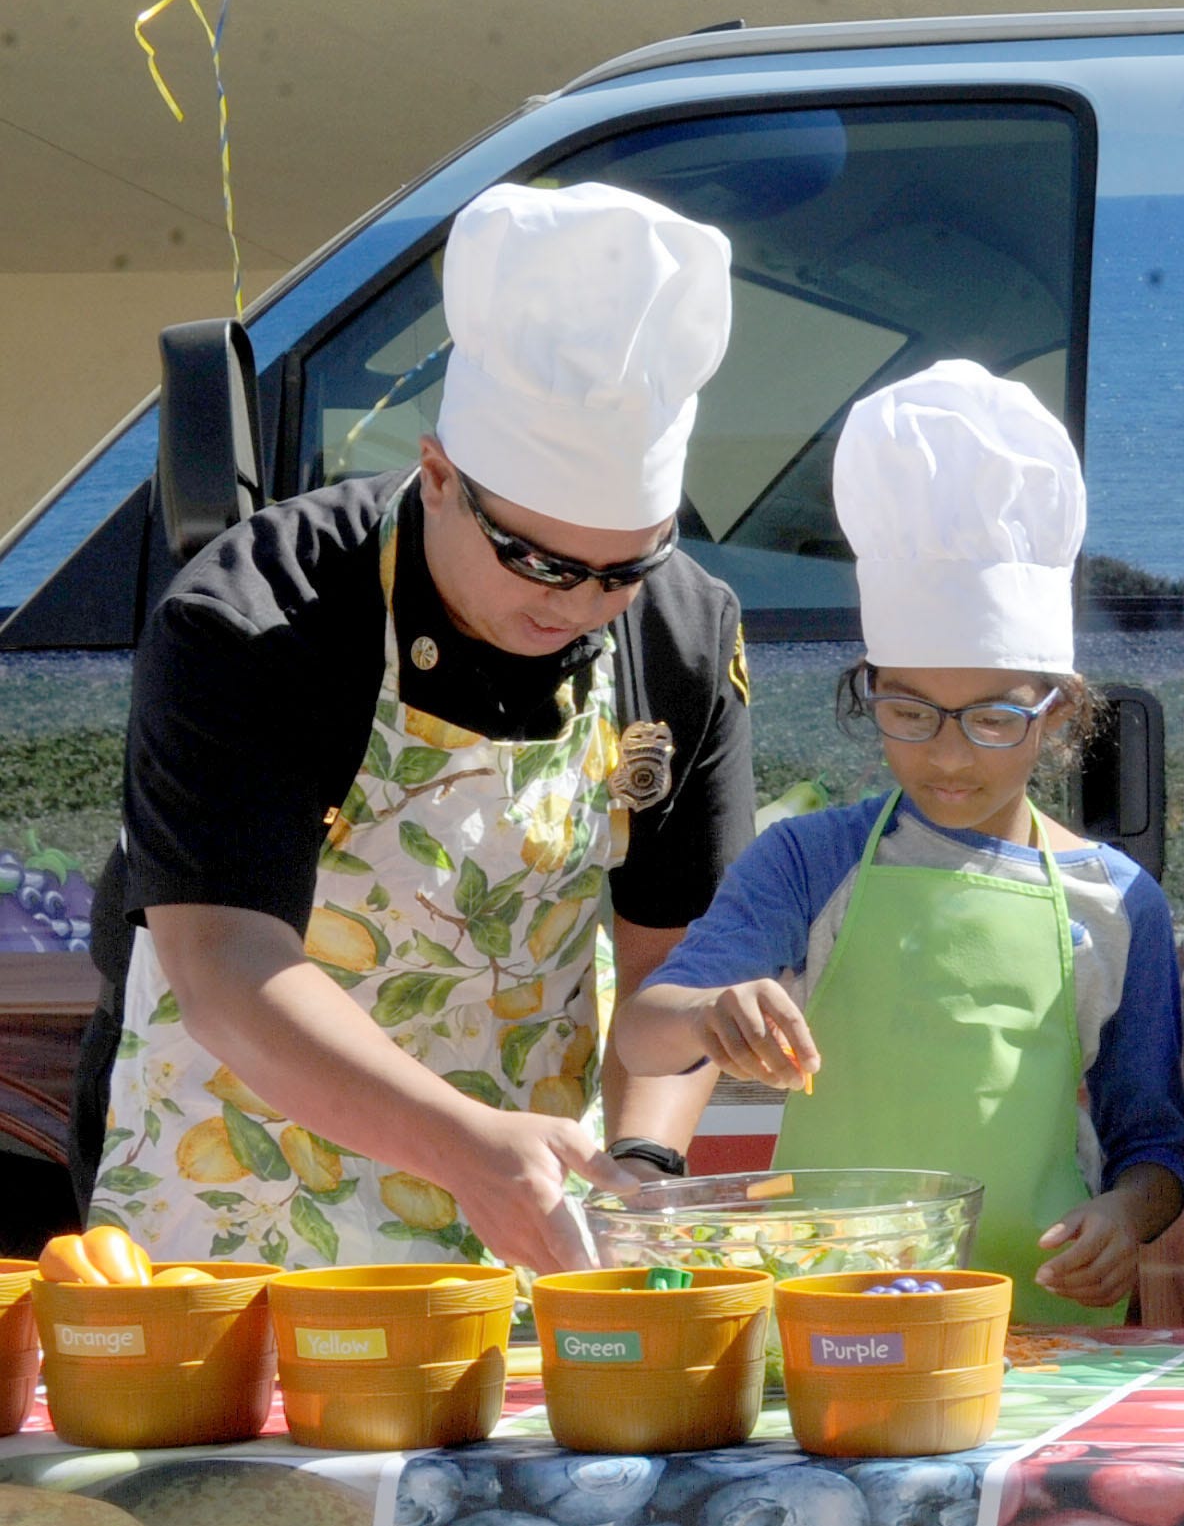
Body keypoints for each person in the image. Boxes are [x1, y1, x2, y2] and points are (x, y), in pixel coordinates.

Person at [76, 182, 753, 1272]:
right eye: (538, 561)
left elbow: (670, 955)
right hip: (239, 1202)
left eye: (622, 570)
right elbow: (229, 966)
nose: (575, 605)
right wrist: (467, 1149)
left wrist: (641, 1162)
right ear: (439, 476)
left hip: (518, 1221)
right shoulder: (260, 615)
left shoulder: (681, 634)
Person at [614, 361, 1184, 1322]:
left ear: (1059, 713)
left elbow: (1155, 1147)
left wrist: (1124, 1221)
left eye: (994, 717)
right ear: (868, 690)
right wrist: (713, 1012)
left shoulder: (1116, 900)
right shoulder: (811, 861)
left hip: (1038, 1328)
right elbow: (644, 1029)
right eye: (909, 710)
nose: (949, 754)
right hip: (828, 1316)